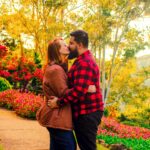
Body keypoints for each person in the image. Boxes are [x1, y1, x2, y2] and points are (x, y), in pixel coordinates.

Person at [48, 30, 104, 150]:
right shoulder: (79, 61)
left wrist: (58, 102)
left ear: (79, 45)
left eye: (71, 43)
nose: (69, 46)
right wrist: (86, 88)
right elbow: (76, 86)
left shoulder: (85, 63)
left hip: (88, 114)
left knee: (87, 147)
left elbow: (78, 91)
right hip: (83, 113)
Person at [42, 38, 76, 150]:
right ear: (57, 51)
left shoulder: (58, 68)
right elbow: (64, 93)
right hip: (58, 119)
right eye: (64, 45)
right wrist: (84, 88)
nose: (67, 46)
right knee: (70, 147)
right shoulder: (56, 70)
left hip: (56, 119)